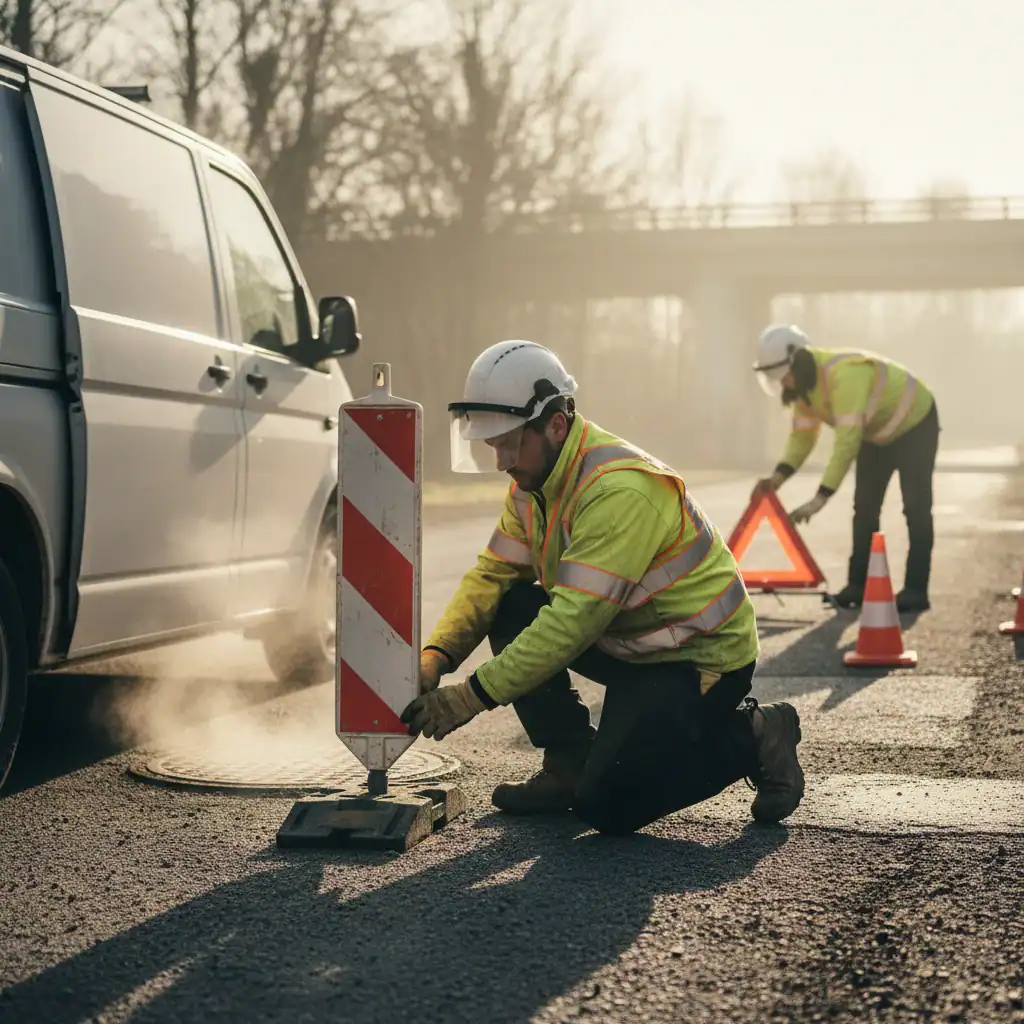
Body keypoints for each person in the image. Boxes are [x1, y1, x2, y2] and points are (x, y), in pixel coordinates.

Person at [399, 339, 805, 836]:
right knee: (510, 602)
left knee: (607, 806)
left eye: (510, 444)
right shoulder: (535, 484)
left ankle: (758, 733)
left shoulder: (618, 491)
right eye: (492, 446)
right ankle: (568, 765)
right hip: (630, 644)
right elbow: (492, 577)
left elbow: (571, 624)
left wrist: (469, 697)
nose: (502, 461)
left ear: (556, 424)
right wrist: (436, 656)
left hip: (697, 659)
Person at [751, 324, 940, 613]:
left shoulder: (846, 375)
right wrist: (776, 479)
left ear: (798, 361)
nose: (784, 385)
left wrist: (820, 498)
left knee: (915, 507)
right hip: (876, 434)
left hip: (915, 425)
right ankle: (858, 586)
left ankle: (916, 590)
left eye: (784, 376)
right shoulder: (805, 390)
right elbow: (802, 438)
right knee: (864, 508)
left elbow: (846, 443)